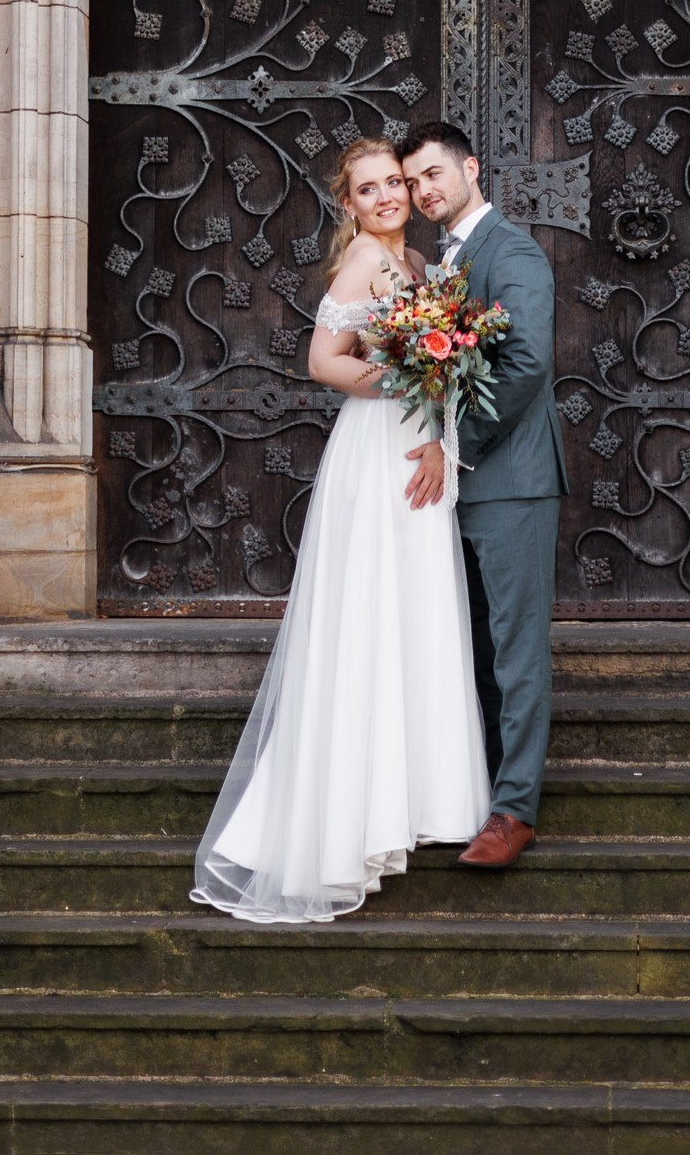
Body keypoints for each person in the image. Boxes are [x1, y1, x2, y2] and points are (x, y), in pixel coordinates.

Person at [188, 136, 489, 922]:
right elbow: (325, 361)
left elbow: (437, 358)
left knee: (414, 613)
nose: (390, 196)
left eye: (395, 182)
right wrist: (412, 380)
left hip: (415, 441)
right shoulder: (362, 260)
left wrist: (435, 395)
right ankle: (348, 821)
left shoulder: (420, 267)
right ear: (348, 203)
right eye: (371, 189)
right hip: (378, 450)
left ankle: (409, 800)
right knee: (370, 618)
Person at [401, 119, 569, 869]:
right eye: (412, 182)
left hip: (512, 484)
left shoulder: (516, 253)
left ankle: (514, 813)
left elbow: (527, 362)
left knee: (516, 650)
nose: (423, 191)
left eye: (434, 174)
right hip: (452, 492)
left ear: (470, 167)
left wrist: (456, 444)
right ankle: (476, 792)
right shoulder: (441, 263)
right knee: (468, 651)